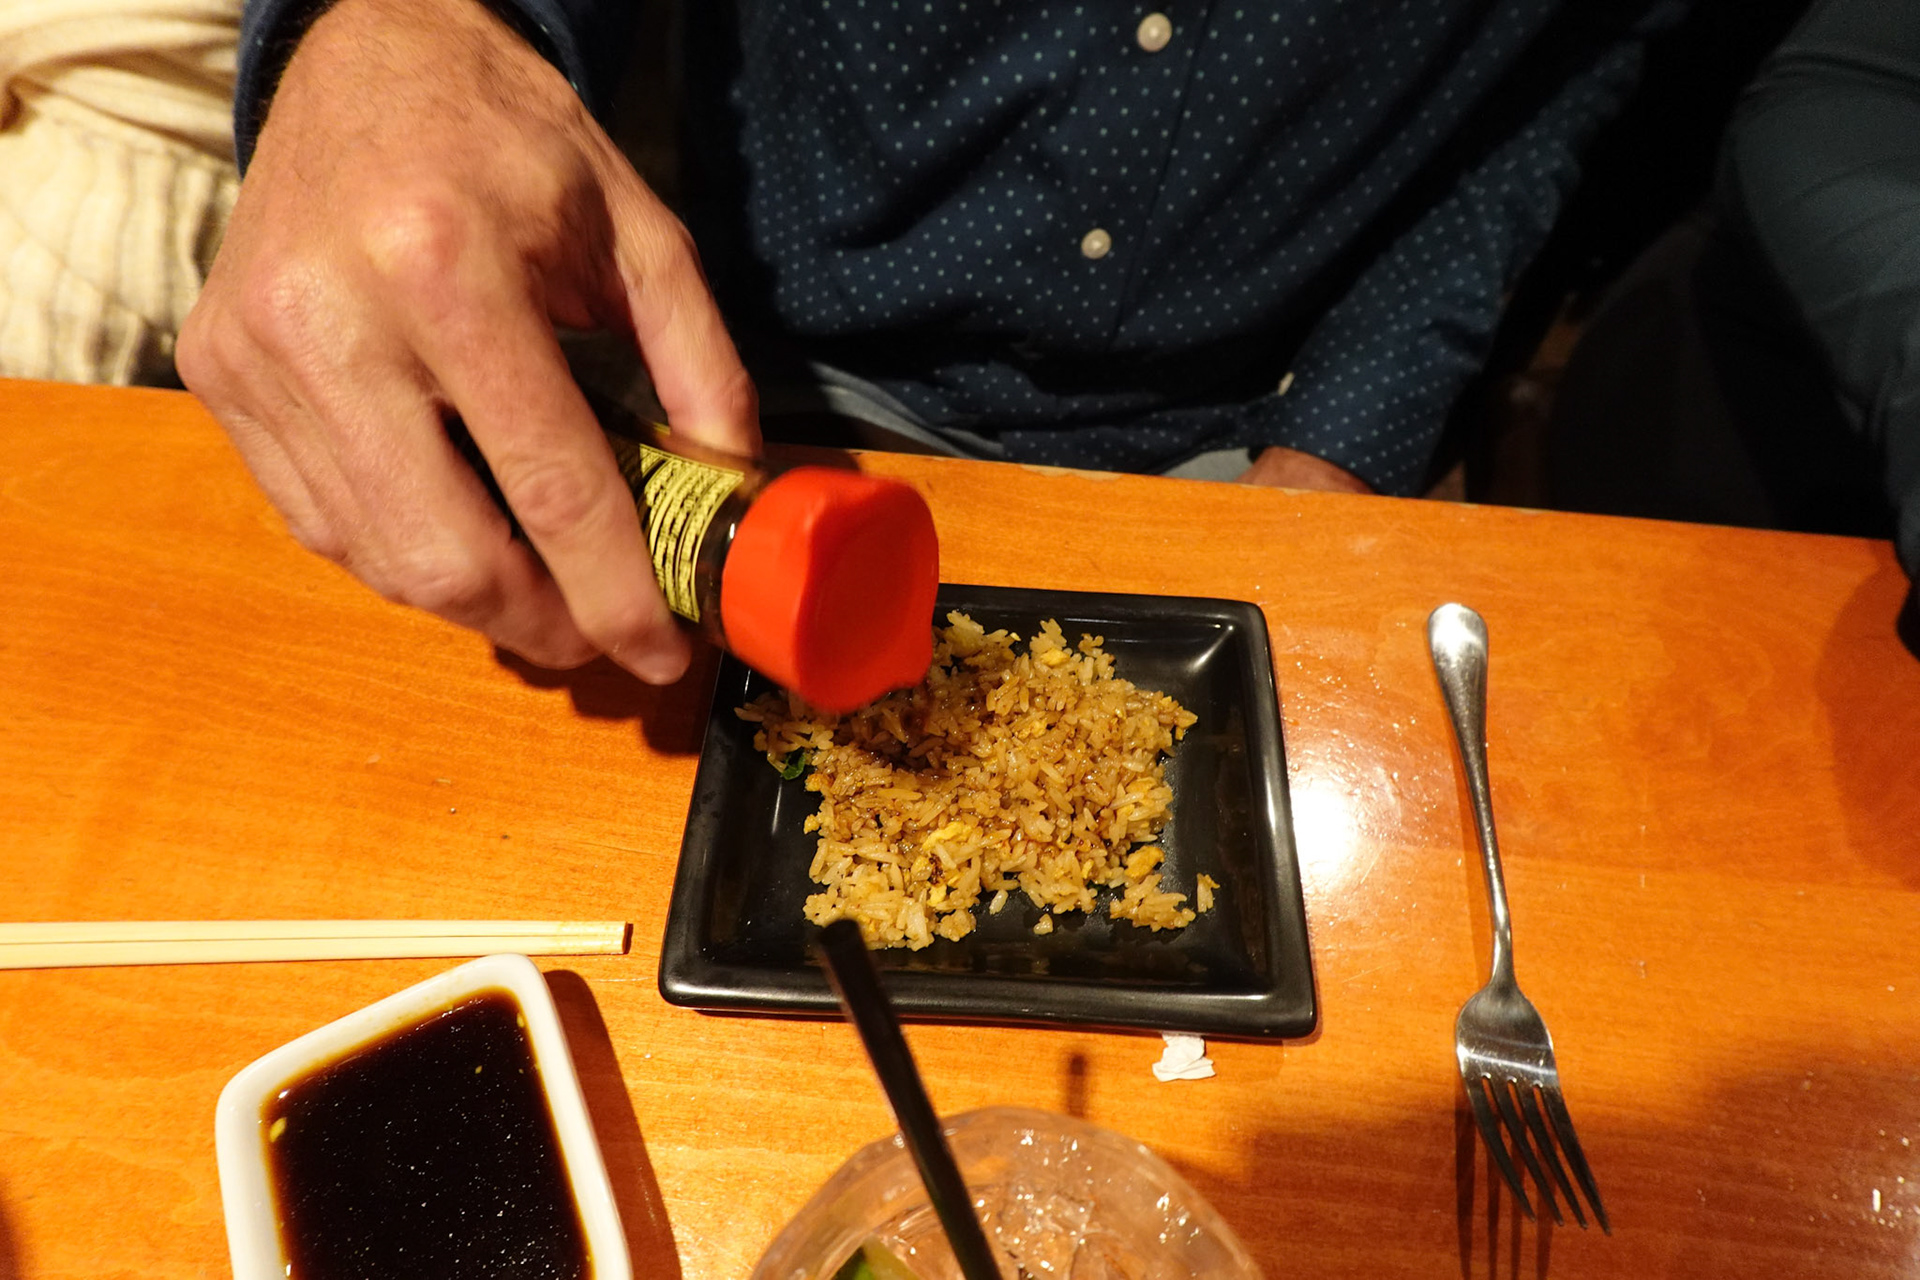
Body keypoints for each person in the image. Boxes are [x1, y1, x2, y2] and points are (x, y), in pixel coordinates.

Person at [178, 0, 1678, 687]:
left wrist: (1344, 439)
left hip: (1232, 432)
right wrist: (402, 31)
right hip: (771, 390)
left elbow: (1575, 84)